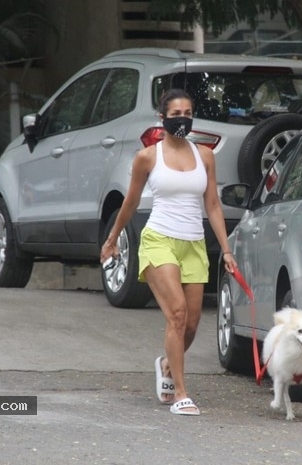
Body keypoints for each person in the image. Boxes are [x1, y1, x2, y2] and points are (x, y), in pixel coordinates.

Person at [100, 88, 237, 416]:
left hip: (193, 245)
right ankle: (180, 392)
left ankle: (166, 365)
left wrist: (228, 251)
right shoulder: (148, 157)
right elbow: (130, 201)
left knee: (190, 325)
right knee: (176, 314)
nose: (182, 120)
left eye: (187, 114)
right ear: (162, 118)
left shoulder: (205, 155)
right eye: (175, 115)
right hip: (159, 239)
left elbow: (213, 205)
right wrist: (112, 238)